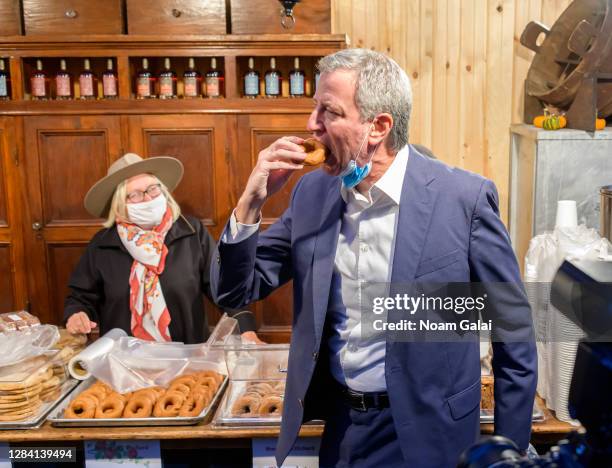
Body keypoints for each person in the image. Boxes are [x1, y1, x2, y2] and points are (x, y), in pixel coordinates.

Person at [211, 49, 537, 467]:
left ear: (378, 126)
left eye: (328, 111)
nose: (312, 125)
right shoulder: (311, 194)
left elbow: (514, 336)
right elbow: (234, 289)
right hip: (344, 427)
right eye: (315, 108)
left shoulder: (464, 200)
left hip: (434, 433)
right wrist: (251, 202)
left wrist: (508, 452)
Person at [64, 152, 260, 344]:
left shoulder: (192, 232)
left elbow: (223, 287)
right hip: (123, 360)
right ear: (119, 205)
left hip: (186, 357)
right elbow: (80, 297)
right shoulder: (102, 244)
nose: (148, 199)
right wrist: (76, 314)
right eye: (135, 195)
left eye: (152, 189)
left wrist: (245, 328)